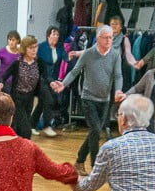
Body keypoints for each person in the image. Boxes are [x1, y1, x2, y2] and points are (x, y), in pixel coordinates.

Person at [53, 26, 125, 172]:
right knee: (96, 130)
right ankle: (96, 167)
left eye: (111, 37)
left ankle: (79, 161)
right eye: (106, 37)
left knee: (95, 131)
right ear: (98, 38)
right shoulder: (88, 54)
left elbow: (118, 75)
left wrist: (118, 90)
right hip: (88, 98)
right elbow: (74, 72)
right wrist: (63, 84)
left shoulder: (115, 54)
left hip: (104, 100)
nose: (109, 40)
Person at [4, 35, 52, 139]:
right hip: (17, 99)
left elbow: (46, 77)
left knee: (19, 129)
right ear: (24, 49)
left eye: (35, 47)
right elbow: (3, 77)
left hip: (29, 99)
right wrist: (1, 86)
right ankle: (24, 150)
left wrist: (52, 83)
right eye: (31, 48)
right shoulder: (17, 63)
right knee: (26, 130)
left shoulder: (39, 63)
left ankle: (18, 150)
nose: (34, 50)